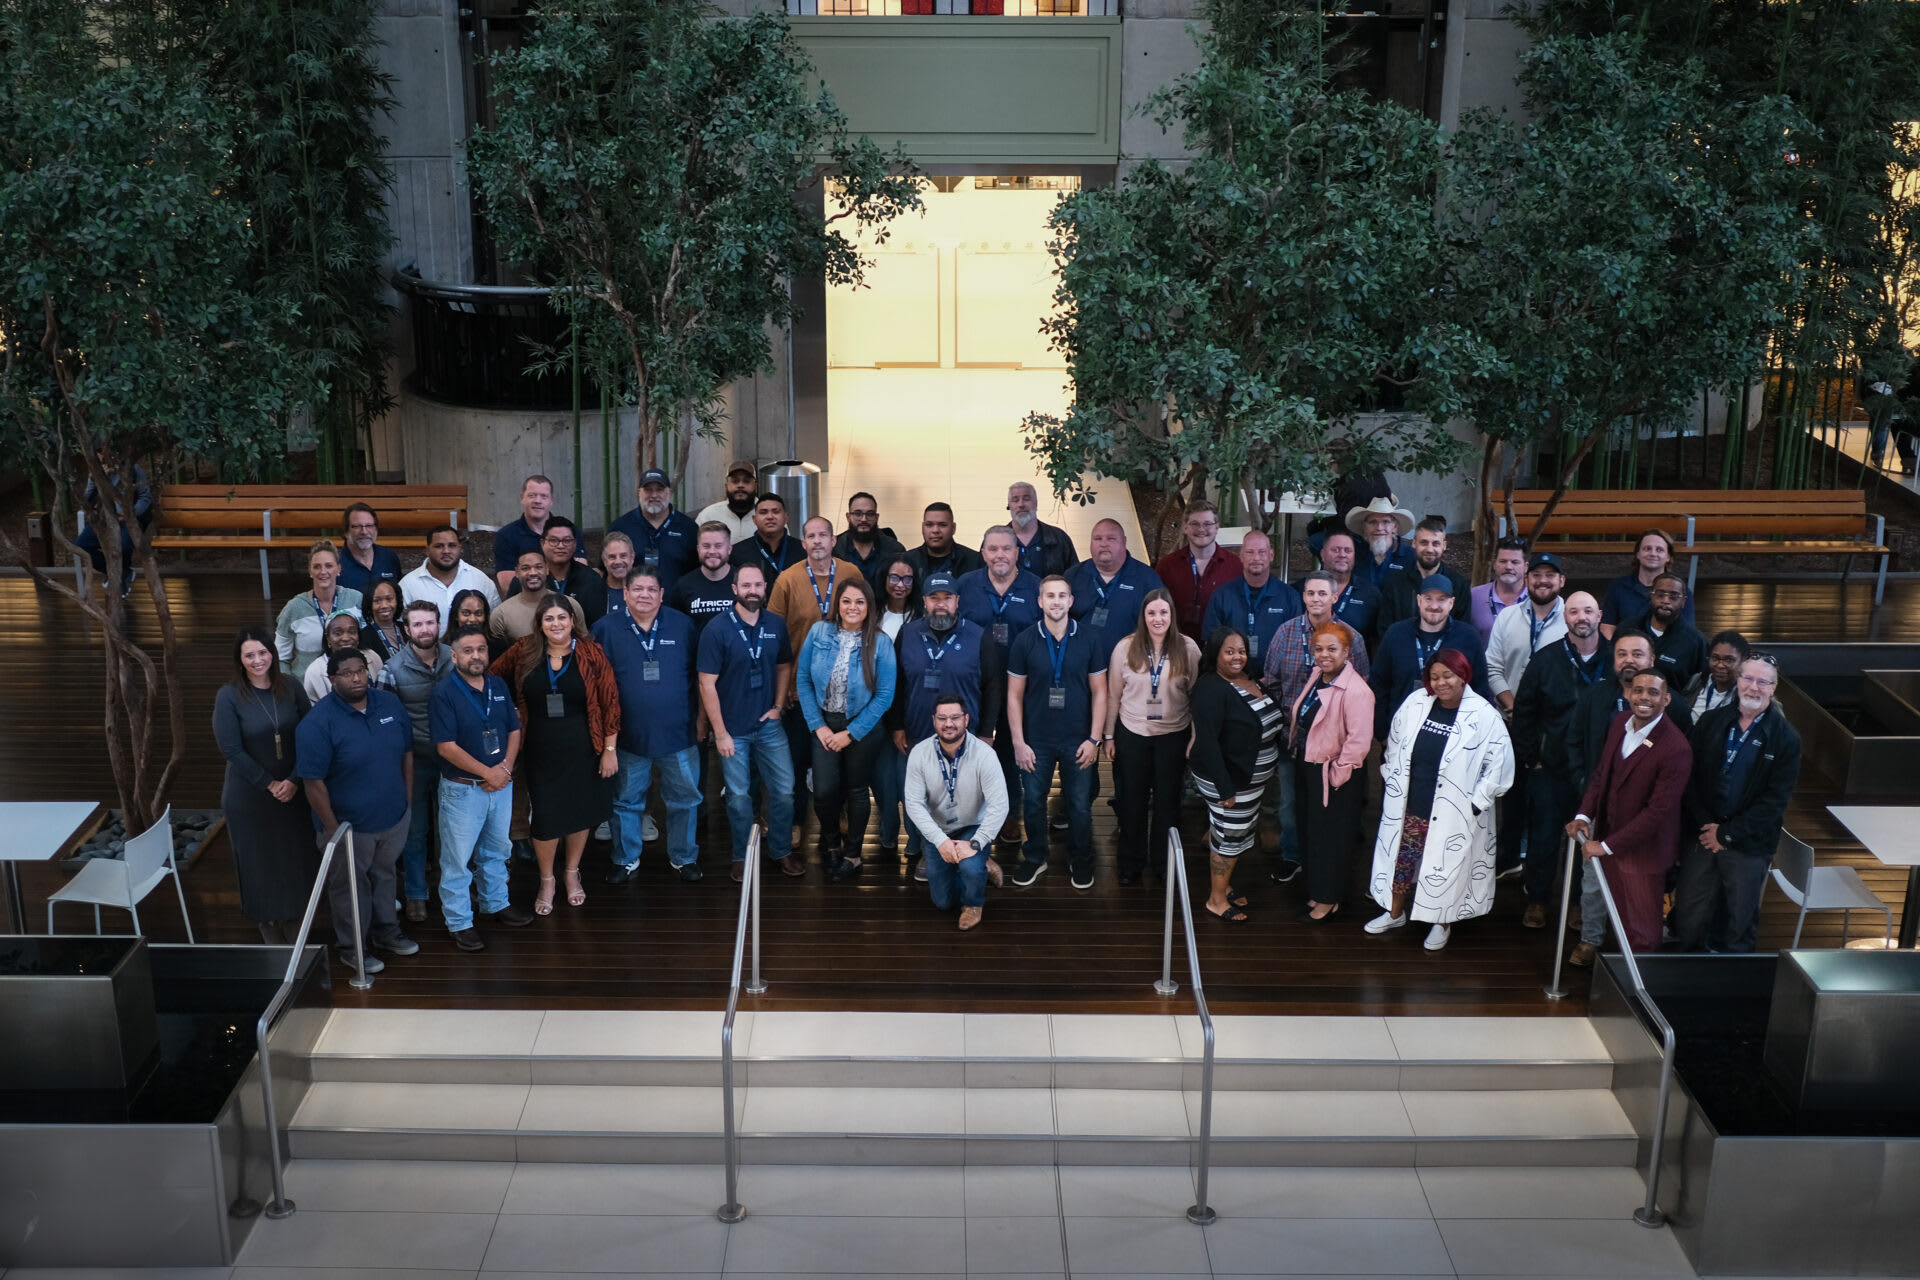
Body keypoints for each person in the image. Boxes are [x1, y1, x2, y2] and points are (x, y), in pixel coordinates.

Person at [1365, 648, 1513, 950]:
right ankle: (1395, 913)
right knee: (1402, 862)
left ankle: (1441, 922)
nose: (1441, 683)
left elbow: (1500, 765)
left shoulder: (1484, 715)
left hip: (1454, 810)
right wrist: (1392, 776)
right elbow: (1395, 742)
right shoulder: (1416, 703)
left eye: (1448, 675)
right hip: (1413, 803)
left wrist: (1476, 803)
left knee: (1446, 867)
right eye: (1434, 677)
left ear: (1463, 676)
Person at [491, 594, 620, 914]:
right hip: (539, 749)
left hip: (584, 748)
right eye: (549, 618)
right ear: (540, 623)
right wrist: (509, 715)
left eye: (562, 617)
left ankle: (572, 872)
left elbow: (610, 701)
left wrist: (609, 749)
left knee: (579, 813)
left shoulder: (591, 652)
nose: (556, 623)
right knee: (546, 816)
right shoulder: (524, 650)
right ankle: (547, 879)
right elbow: (491, 678)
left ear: (572, 621)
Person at [295, 648, 417, 972]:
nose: (356, 678)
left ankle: (388, 933)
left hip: (393, 819)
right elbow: (313, 783)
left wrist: (406, 801)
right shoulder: (317, 723)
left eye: (361, 670)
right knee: (349, 888)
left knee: (386, 877)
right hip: (348, 827)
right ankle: (353, 949)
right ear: (331, 679)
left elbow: (407, 753)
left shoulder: (389, 704)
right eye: (347, 673)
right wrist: (333, 830)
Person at [1676, 656, 1802, 953]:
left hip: (1749, 842)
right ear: (1738, 680)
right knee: (1689, 915)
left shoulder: (1786, 739)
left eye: (1763, 682)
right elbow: (1689, 778)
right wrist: (1707, 827)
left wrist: (1726, 834)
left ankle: (1734, 977)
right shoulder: (1711, 721)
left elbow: (1774, 801)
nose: (1754, 687)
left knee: (1739, 922)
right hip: (1702, 834)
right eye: (1748, 679)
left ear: (1773, 688)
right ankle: (1689, 970)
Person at [1566, 670, 1693, 964]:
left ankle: (1642, 985)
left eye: (1653, 692)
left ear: (1666, 699)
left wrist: (1606, 846)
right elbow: (1602, 775)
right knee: (1622, 921)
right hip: (1609, 840)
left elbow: (1657, 813)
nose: (1644, 698)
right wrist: (1584, 814)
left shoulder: (1676, 748)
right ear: (1628, 694)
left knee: (1643, 933)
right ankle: (1622, 979)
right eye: (1638, 691)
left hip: (1643, 855)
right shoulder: (1620, 723)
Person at [592, 569, 705, 884]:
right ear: (625, 593)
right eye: (638, 589)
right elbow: (595, 685)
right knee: (626, 801)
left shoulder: (683, 625)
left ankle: (684, 857)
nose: (645, 595)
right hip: (628, 736)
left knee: (685, 799)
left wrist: (702, 719)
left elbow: (700, 677)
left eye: (652, 589)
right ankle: (625, 858)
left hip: (679, 733)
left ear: (662, 594)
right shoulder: (604, 629)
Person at [1259, 571, 1371, 884]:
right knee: (1289, 805)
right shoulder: (1285, 633)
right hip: (1292, 738)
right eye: (1310, 593)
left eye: (1323, 593)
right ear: (1303, 597)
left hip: (1332, 747)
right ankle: (1294, 857)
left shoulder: (1351, 638)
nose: (1316, 599)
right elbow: (1272, 682)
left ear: (1334, 597)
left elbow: (1360, 688)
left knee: (1326, 809)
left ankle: (1324, 867)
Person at [889, 573, 1002, 880]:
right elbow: (897, 684)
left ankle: (973, 852)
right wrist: (897, 725)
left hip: (965, 737)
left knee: (964, 797)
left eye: (947, 598)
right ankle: (924, 849)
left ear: (957, 601)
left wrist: (986, 732)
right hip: (918, 734)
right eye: (934, 598)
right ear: (924, 601)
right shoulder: (907, 634)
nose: (941, 605)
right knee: (918, 796)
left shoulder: (978, 636)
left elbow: (993, 687)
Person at [430, 625, 535, 950]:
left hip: (500, 785)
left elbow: (514, 729)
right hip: (463, 789)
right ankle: (460, 922)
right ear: (454, 656)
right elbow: (446, 747)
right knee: (457, 861)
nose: (476, 656)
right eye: (468, 651)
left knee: (497, 851)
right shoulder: (444, 692)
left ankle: (496, 903)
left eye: (481, 649)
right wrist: (488, 773)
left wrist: (504, 770)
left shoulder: (498, 684)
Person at [1510, 591, 1609, 929]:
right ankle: (1537, 900)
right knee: (1543, 837)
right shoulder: (1546, 659)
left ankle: (1581, 904)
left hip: (1597, 771)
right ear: (1565, 617)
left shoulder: (1614, 659)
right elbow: (1524, 711)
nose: (1582, 617)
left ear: (1599, 615)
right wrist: (1532, 757)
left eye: (1588, 611)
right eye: (1574, 611)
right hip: (1551, 767)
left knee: (1589, 839)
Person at [699, 563, 804, 880]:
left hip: (769, 725)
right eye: (746, 585)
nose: (753, 591)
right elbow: (706, 683)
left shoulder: (775, 624)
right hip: (732, 730)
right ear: (734, 589)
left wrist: (778, 706)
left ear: (765, 588)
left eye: (758, 585)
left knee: (784, 791)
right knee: (739, 797)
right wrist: (720, 733)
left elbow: (784, 665)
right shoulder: (716, 629)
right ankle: (742, 855)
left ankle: (781, 850)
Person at [213, 626, 317, 943]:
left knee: (294, 856)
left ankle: (296, 920)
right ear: (240, 660)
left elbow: (310, 734)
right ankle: (268, 925)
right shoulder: (229, 696)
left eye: (263, 652)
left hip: (294, 790)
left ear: (272, 653)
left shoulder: (292, 686)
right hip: (251, 795)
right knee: (258, 862)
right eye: (250, 655)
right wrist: (270, 784)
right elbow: (231, 749)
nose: (258, 660)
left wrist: (294, 780)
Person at [1006, 575, 1107, 889]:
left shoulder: (1090, 638)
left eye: (1062, 595)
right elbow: (1014, 695)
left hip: (1079, 738)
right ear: (1040, 601)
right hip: (1036, 739)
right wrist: (1018, 742)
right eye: (1050, 596)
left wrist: (1094, 739)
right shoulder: (1024, 640)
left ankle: (1080, 858)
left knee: (1079, 805)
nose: (1056, 601)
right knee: (1034, 802)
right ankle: (1035, 856)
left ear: (1071, 601)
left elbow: (1100, 692)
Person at [796, 575, 897, 880]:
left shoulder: (880, 642)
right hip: (824, 725)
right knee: (824, 791)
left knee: (856, 790)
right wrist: (818, 726)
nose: (853, 607)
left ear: (869, 607)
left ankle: (852, 854)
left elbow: (885, 696)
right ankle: (831, 844)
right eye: (846, 601)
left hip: (862, 727)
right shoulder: (819, 631)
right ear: (836, 605)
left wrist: (851, 733)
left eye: (860, 602)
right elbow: (803, 679)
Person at [768, 516, 865, 830]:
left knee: (840, 761)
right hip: (800, 689)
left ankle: (837, 818)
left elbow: (865, 620)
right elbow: (774, 634)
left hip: (844, 689)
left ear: (834, 540)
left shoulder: (851, 573)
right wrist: (782, 689)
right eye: (811, 536)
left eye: (823, 535)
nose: (818, 541)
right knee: (797, 761)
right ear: (803, 542)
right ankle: (796, 823)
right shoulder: (787, 579)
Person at [1103, 589, 1201, 885]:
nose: (1158, 619)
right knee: (1131, 801)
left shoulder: (1188, 648)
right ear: (1143, 617)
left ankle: (1163, 863)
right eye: (1151, 613)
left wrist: (1195, 736)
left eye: (1163, 612)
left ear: (1172, 615)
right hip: (1132, 733)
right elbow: (1113, 695)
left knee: (1167, 803)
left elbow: (1197, 697)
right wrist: (1109, 735)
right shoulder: (1125, 647)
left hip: (1174, 735)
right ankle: (1130, 863)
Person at [1189, 628, 1285, 922]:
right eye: (1229, 651)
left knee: (1235, 832)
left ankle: (1224, 886)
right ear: (1215, 654)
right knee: (1230, 836)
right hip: (1229, 780)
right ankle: (1216, 899)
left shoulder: (1249, 678)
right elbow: (1207, 743)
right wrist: (1225, 789)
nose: (1237, 657)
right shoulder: (1209, 689)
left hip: (1250, 780)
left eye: (1241, 651)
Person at [958, 527, 1044, 849]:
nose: (1000, 555)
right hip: (976, 685)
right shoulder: (966, 586)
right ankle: (972, 817)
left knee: (1010, 752)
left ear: (1017, 551)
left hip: (1022, 687)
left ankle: (1009, 815)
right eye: (992, 549)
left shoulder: (1035, 587)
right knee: (973, 751)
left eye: (1006, 548)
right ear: (983, 553)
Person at [1290, 622, 1374, 922]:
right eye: (1319, 649)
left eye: (1332, 649)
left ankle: (1329, 900)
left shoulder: (1357, 691)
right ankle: (1318, 891)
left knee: (1331, 839)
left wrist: (1337, 775)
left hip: (1336, 776)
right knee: (1312, 834)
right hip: (1309, 766)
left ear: (1347, 652)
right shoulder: (1318, 676)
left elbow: (1359, 742)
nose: (1324, 654)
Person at [903, 695, 1008, 930]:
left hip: (973, 826)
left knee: (970, 867)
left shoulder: (985, 755)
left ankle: (974, 903)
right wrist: (941, 841)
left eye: (955, 717)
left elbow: (999, 804)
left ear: (966, 719)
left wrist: (977, 843)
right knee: (942, 902)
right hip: (938, 830)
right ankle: (983, 866)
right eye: (942, 718)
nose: (948, 723)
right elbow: (913, 804)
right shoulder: (919, 753)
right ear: (933, 720)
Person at [381, 599, 452, 921]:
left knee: (454, 830)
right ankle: (416, 894)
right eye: (418, 624)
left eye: (430, 623)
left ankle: (454, 890)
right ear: (407, 630)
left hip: (454, 758)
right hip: (415, 760)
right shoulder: (391, 669)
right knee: (416, 831)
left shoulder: (455, 657)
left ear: (439, 625)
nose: (425, 629)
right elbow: (386, 724)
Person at [1367, 576, 1488, 742]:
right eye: (1428, 598)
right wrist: (1383, 731)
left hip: (1450, 735)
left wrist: (1472, 735)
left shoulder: (1468, 637)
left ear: (1451, 603)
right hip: (1400, 731)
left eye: (1441, 600)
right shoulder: (1396, 633)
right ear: (1419, 600)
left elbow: (1480, 687)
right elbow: (1378, 684)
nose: (1434, 606)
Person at [872, 557, 921, 854]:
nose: (900, 585)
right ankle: (887, 829)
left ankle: (915, 839)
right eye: (894, 577)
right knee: (883, 779)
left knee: (909, 780)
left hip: (909, 709)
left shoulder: (921, 616)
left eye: (907, 579)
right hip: (875, 710)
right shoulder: (872, 613)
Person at [1201, 529, 1303, 663]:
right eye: (1250, 552)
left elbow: (1295, 646)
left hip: (1275, 675)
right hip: (1231, 673)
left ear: (1271, 555)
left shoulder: (1290, 597)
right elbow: (1211, 644)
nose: (1256, 558)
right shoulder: (1222, 596)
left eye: (1262, 552)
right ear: (1241, 556)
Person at [1067, 517, 1161, 662]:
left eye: (1111, 538)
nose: (1103, 544)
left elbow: (1161, 625)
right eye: (1098, 539)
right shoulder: (1073, 576)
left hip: (1130, 664)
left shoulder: (1147, 579)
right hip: (1080, 664)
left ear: (1124, 542)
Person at [1485, 551, 1567, 711]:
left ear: (1561, 580)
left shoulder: (1571, 620)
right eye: (1536, 575)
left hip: (1557, 719)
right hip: (1510, 716)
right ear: (1526, 579)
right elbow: (1492, 667)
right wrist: (1514, 707)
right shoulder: (1507, 616)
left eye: (1550, 575)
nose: (1542, 580)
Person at [275, 540, 364, 680]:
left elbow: (367, 644)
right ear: (310, 571)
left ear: (339, 569)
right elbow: (280, 658)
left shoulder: (356, 600)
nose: (323, 572)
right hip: (306, 686)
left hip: (350, 683)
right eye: (317, 567)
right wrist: (291, 687)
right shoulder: (294, 608)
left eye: (329, 566)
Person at [1154, 499, 1241, 641]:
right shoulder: (1167, 566)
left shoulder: (1236, 566)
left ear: (1217, 527)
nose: (1201, 529)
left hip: (1221, 648)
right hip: (1176, 646)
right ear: (1185, 528)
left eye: (1207, 524)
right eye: (1195, 524)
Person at [609, 467, 701, 589]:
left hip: (678, 600)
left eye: (659, 489)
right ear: (639, 493)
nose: (654, 495)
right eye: (648, 490)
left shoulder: (688, 528)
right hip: (634, 600)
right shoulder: (621, 527)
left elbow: (699, 571)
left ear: (669, 493)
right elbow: (607, 571)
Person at [492, 474, 584, 597]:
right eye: (532, 495)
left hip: (568, 602)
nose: (538, 501)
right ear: (522, 498)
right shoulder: (506, 536)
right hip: (526, 604)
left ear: (551, 501)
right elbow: (508, 586)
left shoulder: (569, 531)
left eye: (544, 496)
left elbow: (581, 573)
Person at [1377, 517, 1469, 631]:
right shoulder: (1395, 584)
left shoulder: (1459, 586)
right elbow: (1385, 629)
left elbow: (1461, 631)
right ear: (1414, 543)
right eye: (1424, 543)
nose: (1429, 549)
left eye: (1436, 543)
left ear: (1444, 545)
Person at [74, 458, 151, 594]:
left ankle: (120, 577)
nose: (102, 456)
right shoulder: (96, 471)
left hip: (129, 521)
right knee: (81, 546)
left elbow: (145, 498)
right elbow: (86, 501)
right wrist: (95, 478)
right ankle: (121, 572)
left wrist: (129, 514)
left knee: (124, 545)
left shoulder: (133, 469)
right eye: (99, 453)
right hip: (104, 521)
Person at [1600, 530, 1696, 637]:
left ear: (1668, 557)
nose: (1653, 553)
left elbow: (1687, 633)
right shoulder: (1618, 587)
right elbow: (1607, 627)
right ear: (1638, 554)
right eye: (1647, 549)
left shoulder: (1680, 591)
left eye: (1659, 550)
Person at [401, 524, 500, 624]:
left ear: (461, 548)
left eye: (452, 545)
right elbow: (401, 625)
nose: (446, 551)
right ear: (427, 550)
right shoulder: (408, 585)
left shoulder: (481, 580)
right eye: (439, 546)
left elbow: (494, 621)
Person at [1629, 574, 1708, 692]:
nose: (1665, 601)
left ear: (1683, 601)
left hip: (1674, 702)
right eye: (1660, 595)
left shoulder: (1697, 642)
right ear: (1651, 596)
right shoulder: (1628, 629)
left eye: (1674, 597)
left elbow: (1701, 687)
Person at [490, 550, 589, 641]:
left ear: (547, 569)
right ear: (517, 573)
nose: (533, 573)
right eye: (525, 568)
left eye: (539, 567)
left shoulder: (570, 605)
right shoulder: (501, 614)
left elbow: (585, 645)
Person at [1308, 530, 1380, 649]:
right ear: (1323, 554)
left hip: (1356, 660)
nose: (1342, 555)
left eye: (1348, 550)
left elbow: (1376, 641)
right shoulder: (1302, 590)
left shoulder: (1371, 594)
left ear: (1354, 555)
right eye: (1336, 550)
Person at [670, 522, 740, 633]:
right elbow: (675, 627)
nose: (712, 551)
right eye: (706, 546)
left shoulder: (744, 582)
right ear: (698, 549)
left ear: (729, 549)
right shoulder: (683, 586)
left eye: (718, 546)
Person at [537, 517, 608, 627]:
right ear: (542, 543)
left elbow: (597, 626)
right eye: (553, 540)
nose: (560, 546)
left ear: (575, 544)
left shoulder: (591, 580)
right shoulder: (531, 578)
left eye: (566, 541)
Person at [301, 612, 386, 702]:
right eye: (338, 633)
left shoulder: (373, 657)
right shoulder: (315, 671)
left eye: (352, 632)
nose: (346, 638)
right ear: (328, 638)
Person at [1005, 481, 1079, 578]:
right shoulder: (996, 540)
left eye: (1026, 499)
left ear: (1036, 503)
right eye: (1015, 500)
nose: (1021, 504)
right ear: (1009, 506)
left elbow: (1076, 577)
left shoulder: (1059, 538)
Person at [1467, 537, 1529, 647]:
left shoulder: (1535, 599)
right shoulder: (1474, 596)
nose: (1508, 567)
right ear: (1494, 564)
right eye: (1503, 561)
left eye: (1515, 562)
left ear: (1526, 567)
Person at [1347, 497, 1418, 591]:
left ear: (1395, 527)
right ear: (1364, 527)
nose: (1379, 528)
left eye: (1385, 522)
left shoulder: (1411, 556)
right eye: (1373, 522)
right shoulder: (1355, 554)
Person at [835, 491, 904, 587]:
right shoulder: (835, 550)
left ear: (876, 518)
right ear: (848, 517)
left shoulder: (895, 550)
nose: (864, 519)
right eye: (858, 514)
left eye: (870, 514)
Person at [905, 501, 985, 581]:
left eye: (942, 525)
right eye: (929, 525)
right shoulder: (906, 560)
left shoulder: (975, 561)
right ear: (922, 527)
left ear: (953, 528)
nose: (935, 530)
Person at [730, 492, 802, 577]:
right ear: (754, 519)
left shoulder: (803, 550)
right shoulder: (737, 553)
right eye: (763, 512)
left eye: (776, 512)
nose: (770, 517)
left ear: (786, 517)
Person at [337, 502, 402, 596]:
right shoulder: (336, 563)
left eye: (369, 526)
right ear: (346, 532)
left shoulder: (389, 557)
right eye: (357, 526)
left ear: (376, 529)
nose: (364, 532)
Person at [1685, 631, 1750, 721]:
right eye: (1715, 658)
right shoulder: (1697, 682)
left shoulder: (1747, 693)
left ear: (1743, 661)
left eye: (1728, 660)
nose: (1720, 665)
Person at [695, 458, 760, 543]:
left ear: (755, 487)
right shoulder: (708, 516)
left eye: (746, 481)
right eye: (735, 481)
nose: (740, 485)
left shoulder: (768, 515)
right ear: (726, 486)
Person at [448, 588, 509, 664]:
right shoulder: (443, 648)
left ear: (485, 616)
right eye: (466, 613)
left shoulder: (499, 646)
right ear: (456, 616)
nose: (472, 619)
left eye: (478, 614)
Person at [361, 580, 407, 662]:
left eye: (389, 599)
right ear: (369, 604)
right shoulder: (364, 637)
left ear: (397, 600)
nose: (384, 605)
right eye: (377, 601)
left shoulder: (408, 628)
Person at [599, 531, 635, 612]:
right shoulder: (593, 592)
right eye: (612, 557)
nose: (618, 561)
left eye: (623, 556)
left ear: (632, 558)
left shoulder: (644, 593)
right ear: (604, 561)